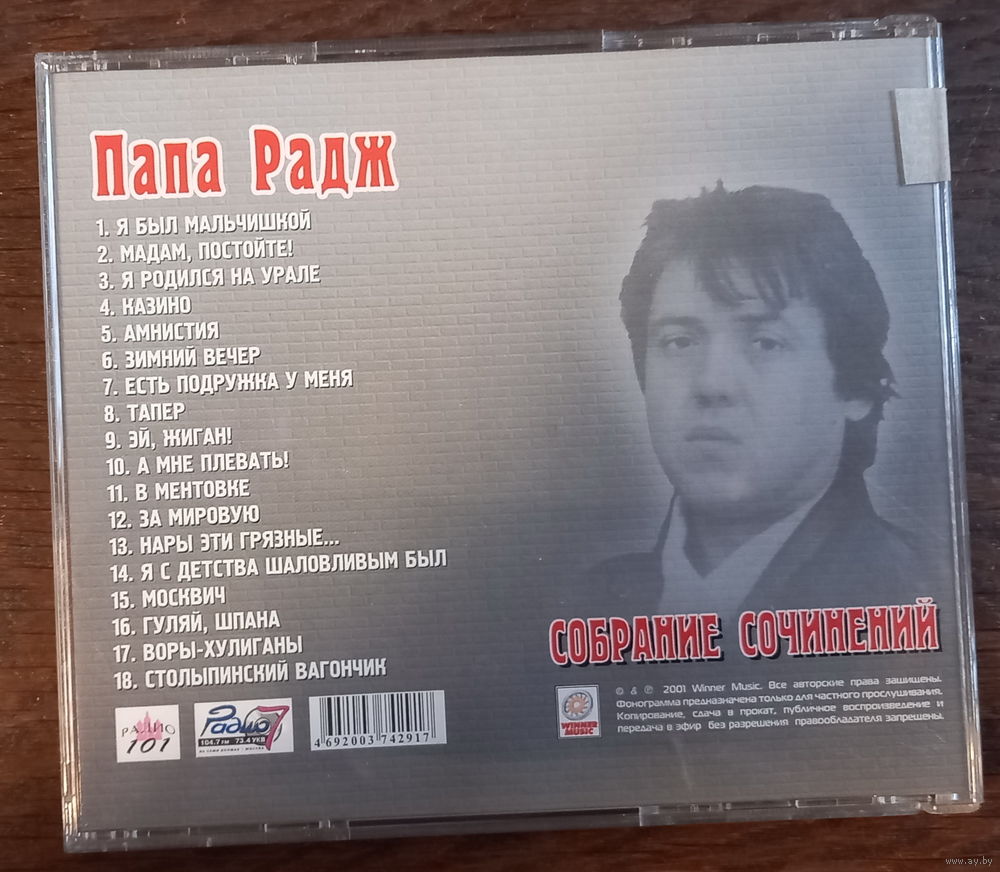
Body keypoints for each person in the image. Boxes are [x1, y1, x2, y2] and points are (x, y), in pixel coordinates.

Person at [595, 183, 922, 622]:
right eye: (679, 341)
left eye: (766, 342)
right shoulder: (581, 605)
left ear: (855, 387)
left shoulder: (914, 593)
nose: (711, 384)